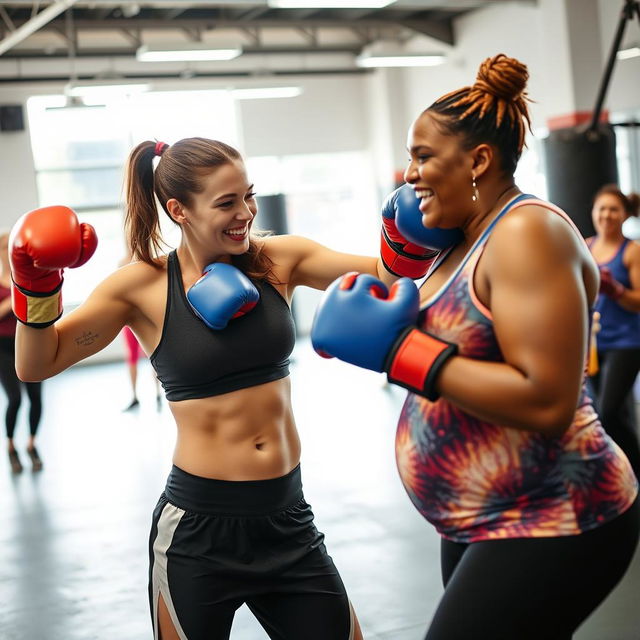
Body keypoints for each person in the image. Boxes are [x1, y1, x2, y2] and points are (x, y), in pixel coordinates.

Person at [8, 136, 428, 639]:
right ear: (178, 209)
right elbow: (38, 363)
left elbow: (389, 277)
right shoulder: (140, 286)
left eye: (248, 196)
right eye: (226, 203)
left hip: (287, 520)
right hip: (197, 532)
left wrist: (412, 226)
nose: (245, 213)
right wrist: (35, 287)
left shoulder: (279, 259)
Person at [311, 54, 640, 639]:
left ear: (478, 161)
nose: (409, 175)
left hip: (556, 509)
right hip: (478, 514)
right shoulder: (460, 240)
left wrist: (400, 353)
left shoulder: (525, 232)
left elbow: (546, 401)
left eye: (422, 157)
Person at [586, 184, 640, 476]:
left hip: (627, 343)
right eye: (602, 208)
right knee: (608, 415)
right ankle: (621, 474)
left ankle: (632, 472)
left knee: (607, 413)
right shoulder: (586, 245)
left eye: (613, 209)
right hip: (593, 343)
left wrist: (616, 290)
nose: (607, 214)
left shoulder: (631, 251)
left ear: (624, 214)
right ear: (594, 212)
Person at [0, 232, 43, 473]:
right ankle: (10, 446)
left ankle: (32, 444)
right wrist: (12, 302)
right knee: (15, 399)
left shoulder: (26, 279)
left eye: (12, 246)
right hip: (4, 347)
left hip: (30, 344)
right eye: (5, 246)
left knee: (36, 398)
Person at [118, 252, 162, 411]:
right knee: (132, 357)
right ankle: (134, 396)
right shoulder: (122, 263)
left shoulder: (148, 262)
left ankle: (158, 393)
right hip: (129, 321)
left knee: (153, 356)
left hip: (146, 317)